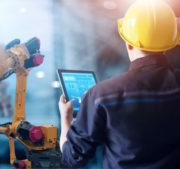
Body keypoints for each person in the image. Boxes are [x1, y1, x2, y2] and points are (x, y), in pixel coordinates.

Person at [59, 0, 180, 168]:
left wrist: (65, 118)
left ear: (128, 43)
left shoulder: (102, 95)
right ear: (171, 42)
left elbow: (73, 158)